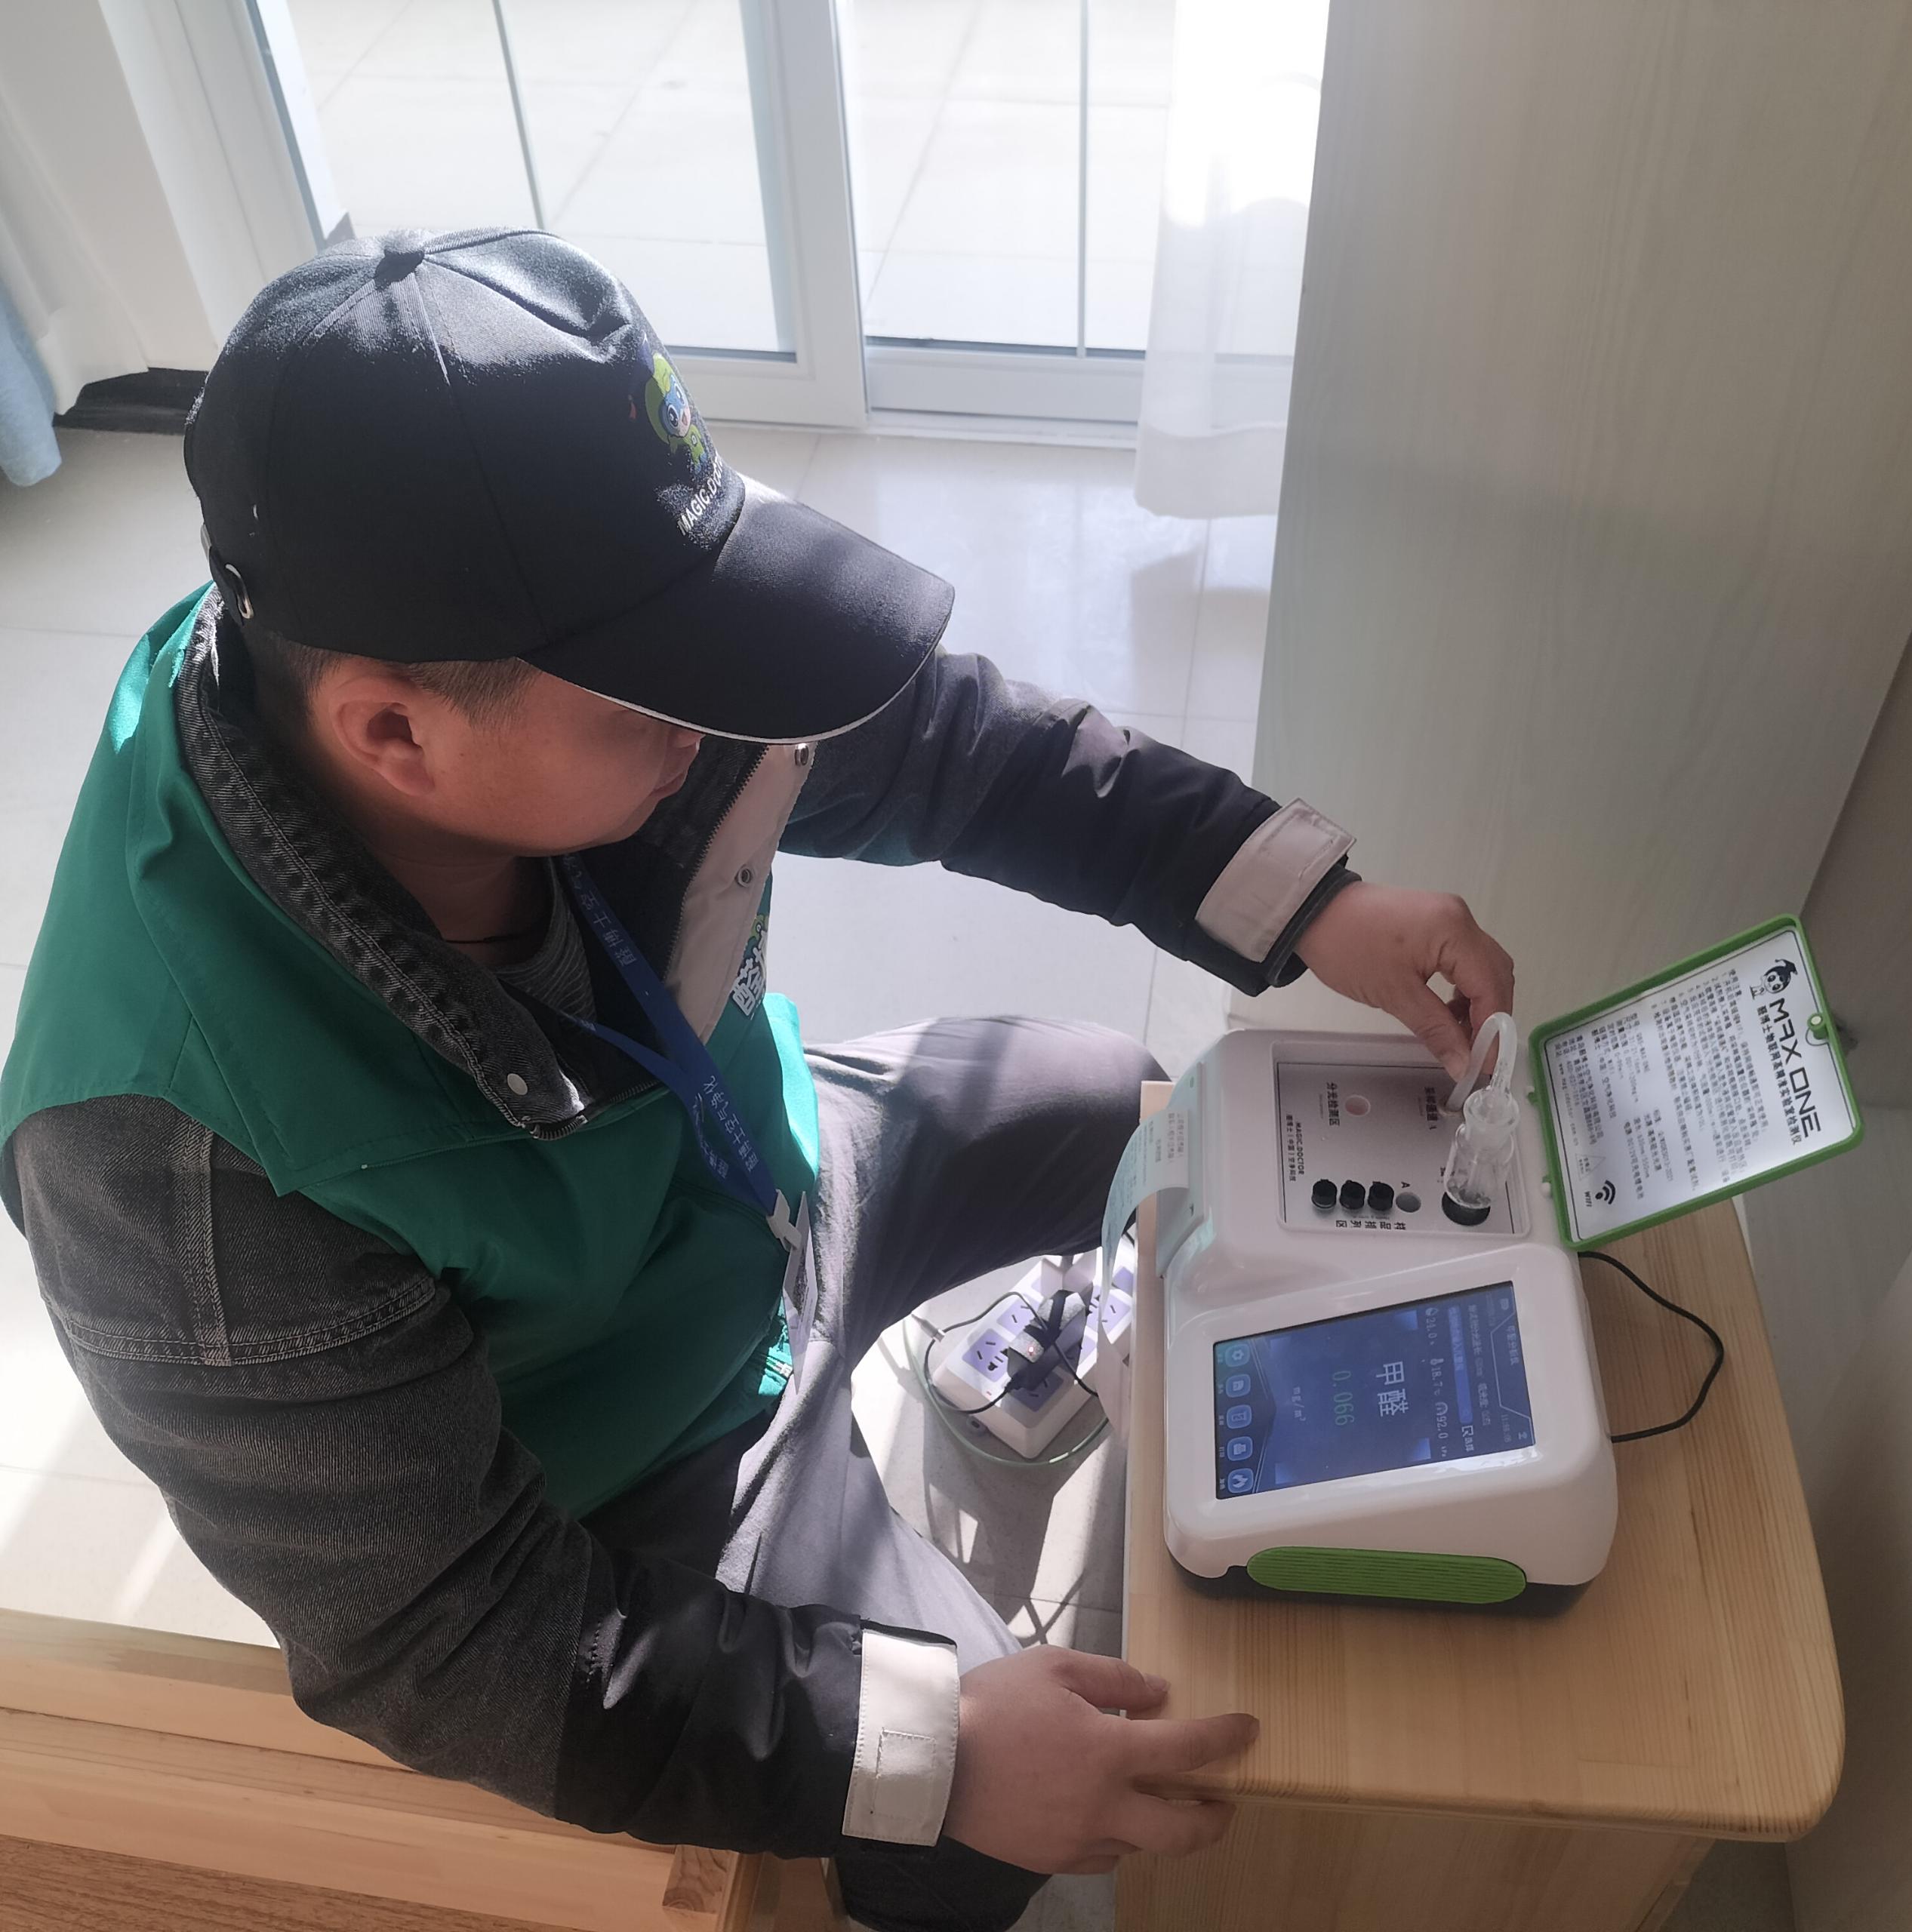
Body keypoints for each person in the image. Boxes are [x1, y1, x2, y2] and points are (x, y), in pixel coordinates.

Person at [0, 229, 1513, 1932]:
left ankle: (943, 1431)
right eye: (665, 697)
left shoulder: (488, 641)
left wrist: (1304, 899)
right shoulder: (178, 1166)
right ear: (396, 735)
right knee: (989, 1819)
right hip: (623, 1454)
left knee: (1127, 1106)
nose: (716, 717)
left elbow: (949, 745)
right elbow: (449, 1637)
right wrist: (938, 1750)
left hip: (761, 1171)